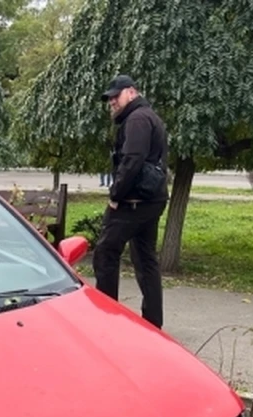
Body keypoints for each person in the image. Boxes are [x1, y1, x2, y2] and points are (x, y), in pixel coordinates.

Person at [94, 74, 169, 329]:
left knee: (105, 254)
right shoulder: (148, 116)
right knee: (145, 260)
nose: (112, 102)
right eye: (109, 98)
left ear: (132, 92)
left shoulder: (137, 119)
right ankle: (153, 324)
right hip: (151, 200)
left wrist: (115, 194)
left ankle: (106, 320)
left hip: (134, 202)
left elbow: (132, 160)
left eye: (116, 96)